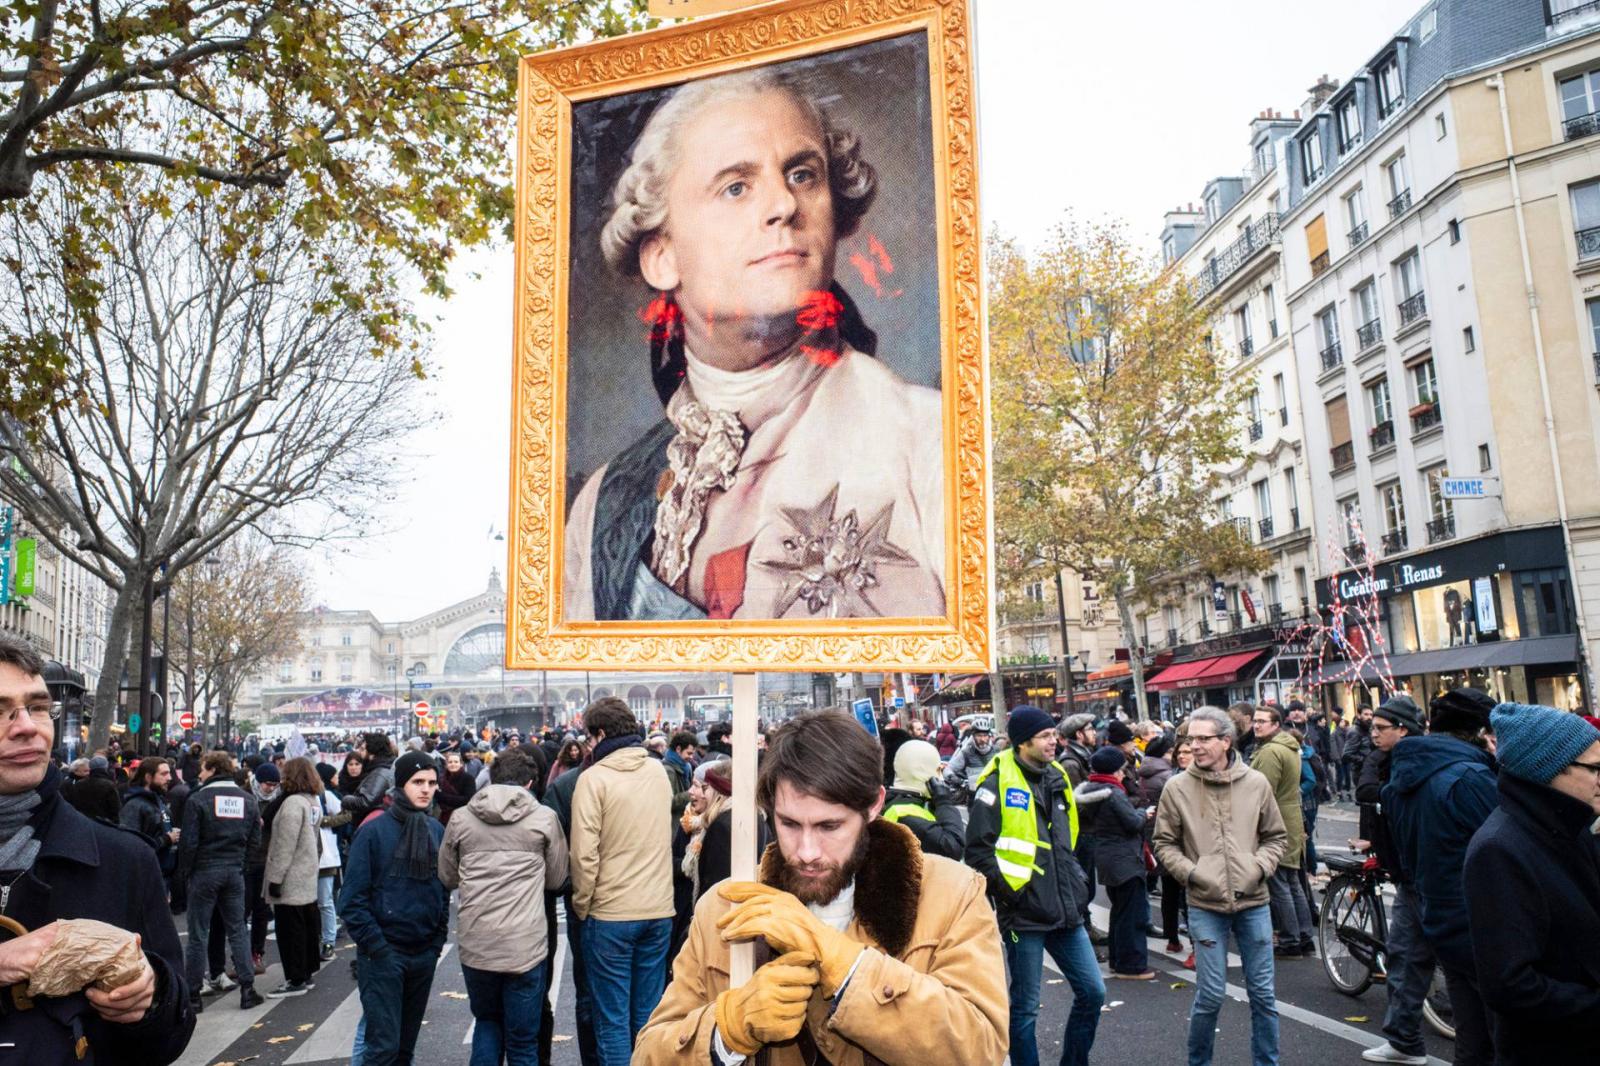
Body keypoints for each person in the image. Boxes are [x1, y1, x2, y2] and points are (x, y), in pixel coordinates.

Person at [564, 67, 943, 622]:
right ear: (662, 255)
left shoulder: (927, 441)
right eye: (736, 187)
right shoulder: (602, 504)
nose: (784, 205)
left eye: (802, 174)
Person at [638, 709, 1007, 1063]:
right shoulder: (723, 908)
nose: (807, 852)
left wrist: (841, 961)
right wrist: (727, 1030)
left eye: (830, 827)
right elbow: (651, 1053)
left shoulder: (951, 894)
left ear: (874, 804)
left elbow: (979, 1049)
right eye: (790, 824)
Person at [0, 635, 197, 1061]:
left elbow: (172, 1036)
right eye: (0, 711)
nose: (26, 726)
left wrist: (152, 993)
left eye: (36, 707)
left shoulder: (124, 860)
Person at [966, 705, 1102, 1066]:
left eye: (1054, 734)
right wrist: (1014, 895)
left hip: (1066, 910)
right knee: (1025, 1008)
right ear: (1023, 742)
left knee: (1093, 992)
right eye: (1045, 736)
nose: (1054, 741)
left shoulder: (1057, 777)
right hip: (1023, 917)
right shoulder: (995, 784)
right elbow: (978, 852)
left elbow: (1067, 841)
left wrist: (1075, 881)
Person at [1464, 702, 1600, 1063]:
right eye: (1595, 768)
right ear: (1549, 769)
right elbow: (1510, 985)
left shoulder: (1572, 827)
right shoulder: (1499, 849)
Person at [1153, 706, 1287, 1066]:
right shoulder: (1176, 787)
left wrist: (1258, 867)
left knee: (1263, 996)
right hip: (1204, 903)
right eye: (1190, 739)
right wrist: (1194, 873)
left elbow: (1276, 836)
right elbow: (1164, 843)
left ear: (1226, 741)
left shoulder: (1256, 783)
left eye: (1203, 739)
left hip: (1254, 901)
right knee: (1210, 995)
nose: (1194, 746)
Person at [1383, 687, 1500, 1066]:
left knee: (1471, 1031)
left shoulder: (1404, 776)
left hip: (1438, 911)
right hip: (1479, 918)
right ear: (1481, 733)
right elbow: (1503, 846)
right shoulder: (1469, 777)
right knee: (1500, 1031)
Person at [439, 745, 570, 1066]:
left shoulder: (461, 818)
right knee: (523, 1041)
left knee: (487, 1022)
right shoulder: (543, 818)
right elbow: (556, 880)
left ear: (493, 778)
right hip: (526, 945)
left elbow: (446, 875)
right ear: (529, 783)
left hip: (477, 942)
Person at [569, 698, 674, 1066]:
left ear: (599, 735)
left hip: (611, 912)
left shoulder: (593, 779)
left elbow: (584, 856)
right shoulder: (658, 772)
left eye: (588, 738)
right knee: (646, 1017)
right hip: (659, 908)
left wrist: (583, 905)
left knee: (611, 1022)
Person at [339, 751, 450, 1066]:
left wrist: (436, 941)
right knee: (382, 1049)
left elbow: (441, 890)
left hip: (423, 953)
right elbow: (351, 901)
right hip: (384, 955)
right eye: (417, 782)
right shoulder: (373, 831)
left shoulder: (434, 829)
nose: (426, 789)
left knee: (404, 1050)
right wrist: (379, 948)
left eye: (431, 782)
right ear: (401, 785)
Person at [1353, 698, 1435, 1065]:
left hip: (1425, 875)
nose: (1373, 734)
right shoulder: (1392, 760)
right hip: (1409, 872)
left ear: (1403, 729)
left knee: (1416, 956)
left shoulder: (1411, 764)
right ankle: (1403, 1039)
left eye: (1380, 728)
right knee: (1404, 956)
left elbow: (1374, 795)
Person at [178, 751, 265, 1011]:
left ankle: (193, 994)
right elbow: (255, 841)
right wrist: (242, 865)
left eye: (203, 768)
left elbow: (189, 842)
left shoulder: (198, 799)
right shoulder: (248, 800)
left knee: (198, 934)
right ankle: (248, 989)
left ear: (213, 769)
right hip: (234, 870)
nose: (199, 773)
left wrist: (185, 872)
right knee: (237, 929)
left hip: (205, 870)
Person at [1077, 745, 1156, 980]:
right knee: (1132, 913)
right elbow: (1132, 823)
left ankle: (1117, 959)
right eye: (1121, 770)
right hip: (1125, 858)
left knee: (1120, 911)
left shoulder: (1091, 790)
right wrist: (1145, 813)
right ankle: (1131, 965)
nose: (1123, 774)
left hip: (1108, 857)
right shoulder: (1113, 792)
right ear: (1114, 771)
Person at [1248, 704, 1313, 959]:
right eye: (1255, 720)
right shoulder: (1288, 747)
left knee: (1280, 883)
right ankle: (1303, 936)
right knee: (1292, 881)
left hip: (1277, 819)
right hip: (1290, 817)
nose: (1257, 725)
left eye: (1263, 721)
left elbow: (1261, 792)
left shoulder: (1271, 751)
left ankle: (1290, 939)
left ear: (1276, 725)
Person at [264, 757, 325, 997]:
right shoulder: (312, 802)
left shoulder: (291, 804)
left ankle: (295, 979)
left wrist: (275, 878)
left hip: (290, 876)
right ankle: (306, 974)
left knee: (290, 932)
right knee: (306, 929)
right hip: (307, 872)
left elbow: (284, 845)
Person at [880, 738, 964, 860]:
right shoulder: (905, 814)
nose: (940, 778)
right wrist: (944, 802)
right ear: (922, 771)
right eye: (938, 770)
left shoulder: (898, 802)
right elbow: (953, 847)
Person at [120, 756, 179, 893]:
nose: (170, 778)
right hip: (145, 879)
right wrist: (166, 840)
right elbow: (130, 845)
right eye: (164, 774)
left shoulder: (159, 801)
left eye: (169, 773)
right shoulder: (135, 806)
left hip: (162, 876)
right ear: (148, 777)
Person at [941, 719, 996, 794]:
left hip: (993, 793)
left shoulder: (997, 752)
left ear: (989, 736)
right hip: (973, 795)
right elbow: (948, 769)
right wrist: (958, 780)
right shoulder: (966, 752)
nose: (982, 739)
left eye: (985, 735)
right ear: (973, 736)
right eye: (979, 736)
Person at [64, 753, 121, 822]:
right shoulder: (109, 785)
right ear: (105, 767)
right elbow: (115, 808)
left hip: (83, 822)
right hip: (104, 824)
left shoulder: (79, 784)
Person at [436, 749, 477, 825]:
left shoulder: (468, 778)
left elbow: (468, 800)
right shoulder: (441, 779)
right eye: (450, 762)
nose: (453, 764)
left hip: (462, 817)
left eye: (456, 762)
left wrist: (442, 796)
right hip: (443, 816)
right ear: (446, 765)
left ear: (461, 764)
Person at [1057, 713, 1096, 787]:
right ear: (1079, 734)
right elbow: (1077, 796)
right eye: (1090, 729)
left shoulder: (1084, 754)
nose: (1094, 733)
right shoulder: (1070, 763)